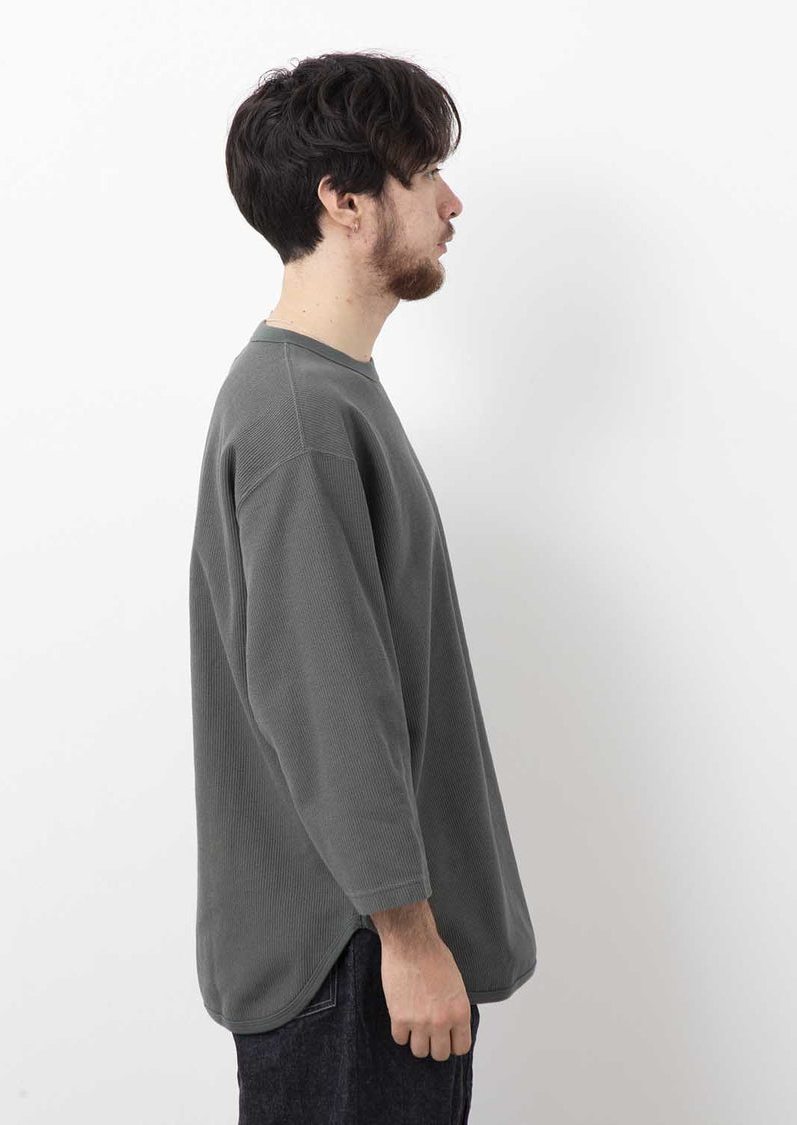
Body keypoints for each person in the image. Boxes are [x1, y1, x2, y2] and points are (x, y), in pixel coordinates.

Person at [188, 50, 537, 1124]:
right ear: (344, 202)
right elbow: (328, 702)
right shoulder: (299, 417)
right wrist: (409, 935)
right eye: (423, 172)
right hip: (351, 964)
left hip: (353, 958)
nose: (451, 200)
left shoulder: (324, 395)